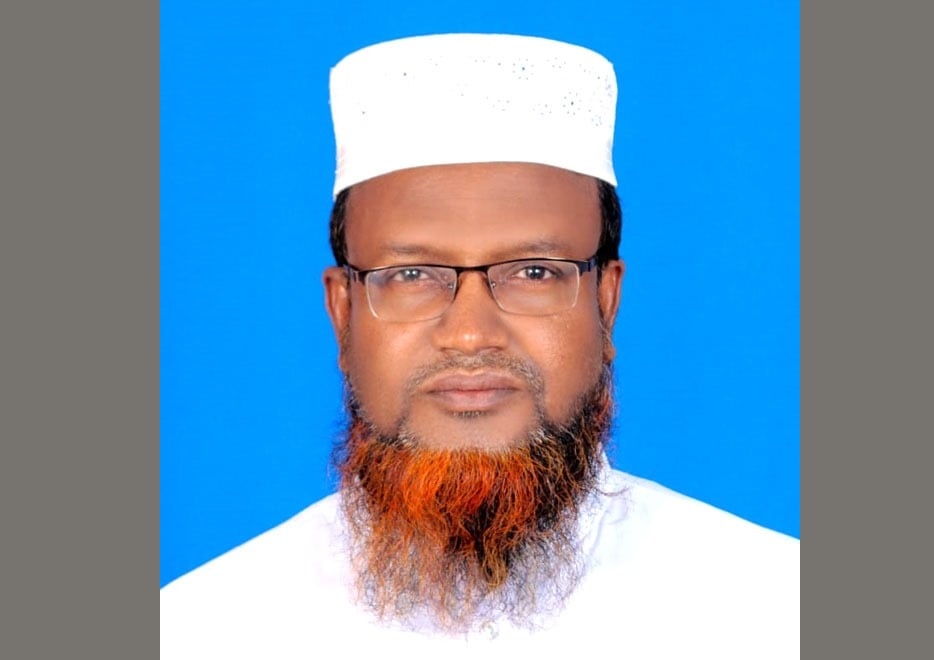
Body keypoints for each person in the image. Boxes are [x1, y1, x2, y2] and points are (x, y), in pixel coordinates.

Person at [161, 33, 798, 657]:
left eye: (534, 272)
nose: (469, 334)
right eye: (411, 275)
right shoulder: (198, 630)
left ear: (606, 302)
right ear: (342, 311)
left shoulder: (775, 611)